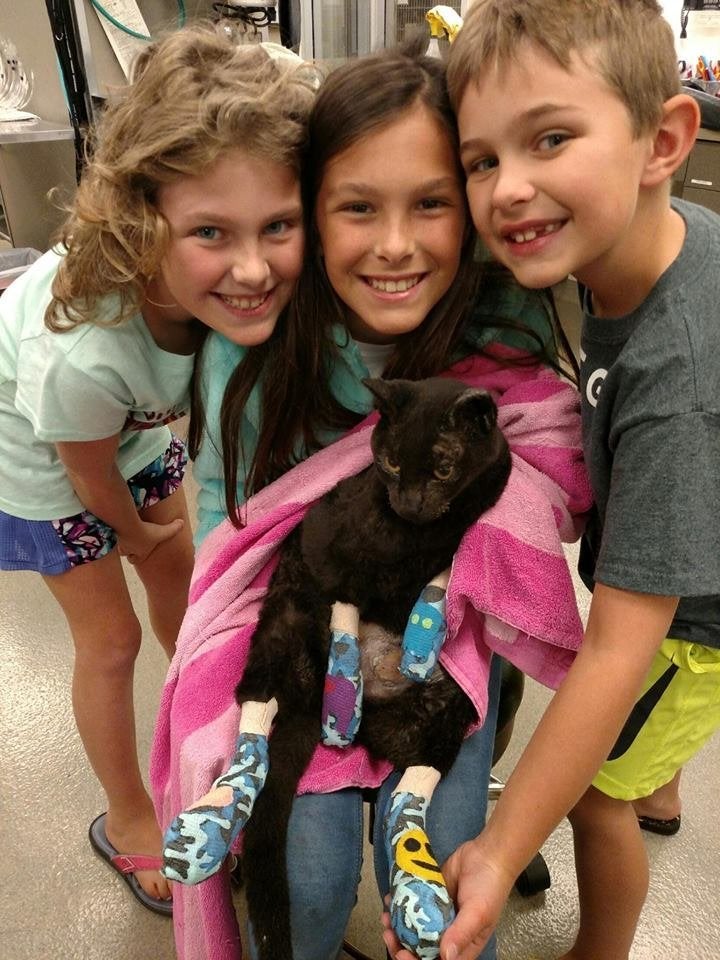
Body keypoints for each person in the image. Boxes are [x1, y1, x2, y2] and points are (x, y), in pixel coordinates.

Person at [156, 39, 590, 960]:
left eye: (430, 204)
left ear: (468, 210)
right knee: (306, 880)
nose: (395, 245)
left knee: (440, 858)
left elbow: (548, 479)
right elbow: (232, 560)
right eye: (358, 208)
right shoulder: (260, 355)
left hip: (448, 648)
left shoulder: (502, 325)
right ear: (312, 216)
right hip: (314, 641)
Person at [382, 2, 720, 958]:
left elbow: (621, 646)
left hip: (693, 629)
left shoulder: (676, 382)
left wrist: (499, 845)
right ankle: (660, 771)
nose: (508, 190)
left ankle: (599, 949)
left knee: (596, 804)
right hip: (684, 557)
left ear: (662, 140)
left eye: (552, 139)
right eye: (483, 161)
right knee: (634, 756)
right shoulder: (663, 245)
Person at [0, 23, 317, 917]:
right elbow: (83, 464)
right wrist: (134, 532)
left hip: (128, 432)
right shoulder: (90, 350)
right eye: (212, 230)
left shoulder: (211, 287)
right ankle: (128, 814)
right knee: (112, 643)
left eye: (278, 227)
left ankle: (215, 730)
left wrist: (161, 537)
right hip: (41, 455)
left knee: (189, 598)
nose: (253, 268)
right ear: (145, 221)